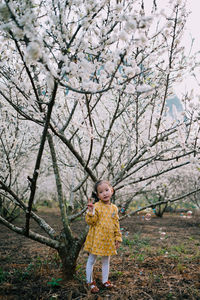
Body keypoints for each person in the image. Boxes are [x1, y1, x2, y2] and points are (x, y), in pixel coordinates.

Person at [84, 180, 122, 293]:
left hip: (108, 239)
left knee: (106, 260)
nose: (105, 193)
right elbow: (91, 221)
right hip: (96, 239)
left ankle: (105, 280)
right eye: (101, 192)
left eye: (106, 190)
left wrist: (118, 237)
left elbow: (116, 223)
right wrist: (90, 212)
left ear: (112, 190)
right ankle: (89, 282)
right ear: (97, 195)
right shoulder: (96, 206)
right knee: (91, 260)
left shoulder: (114, 208)